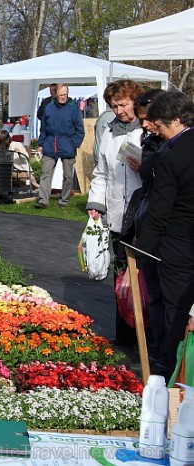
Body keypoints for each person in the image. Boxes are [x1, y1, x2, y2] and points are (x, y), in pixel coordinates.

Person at [137, 90, 194, 381]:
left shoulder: (171, 157)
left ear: (174, 120)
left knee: (176, 308)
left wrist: (141, 251)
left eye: (158, 124)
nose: (155, 129)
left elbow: (160, 210)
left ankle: (169, 368)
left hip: (178, 241)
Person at [86, 79, 144, 348]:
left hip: (142, 213)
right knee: (120, 275)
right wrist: (96, 204)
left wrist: (142, 166)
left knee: (142, 275)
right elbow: (102, 172)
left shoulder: (146, 131)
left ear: (134, 101)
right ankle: (125, 334)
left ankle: (146, 333)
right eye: (114, 106)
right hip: (116, 213)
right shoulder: (108, 132)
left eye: (123, 104)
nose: (119, 110)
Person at [122, 89, 167, 374]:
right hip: (148, 217)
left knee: (165, 295)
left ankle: (163, 354)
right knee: (155, 293)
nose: (144, 125)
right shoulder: (151, 141)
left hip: (164, 227)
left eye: (147, 119)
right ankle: (158, 350)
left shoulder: (171, 147)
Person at [35, 84, 84, 208]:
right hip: (50, 144)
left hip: (67, 145)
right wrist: (41, 144)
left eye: (65, 95)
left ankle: (64, 199)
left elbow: (80, 129)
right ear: (56, 94)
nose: (63, 97)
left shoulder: (73, 108)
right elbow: (43, 129)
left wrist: (74, 144)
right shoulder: (49, 107)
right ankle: (43, 200)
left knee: (68, 176)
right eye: (61, 95)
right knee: (46, 173)